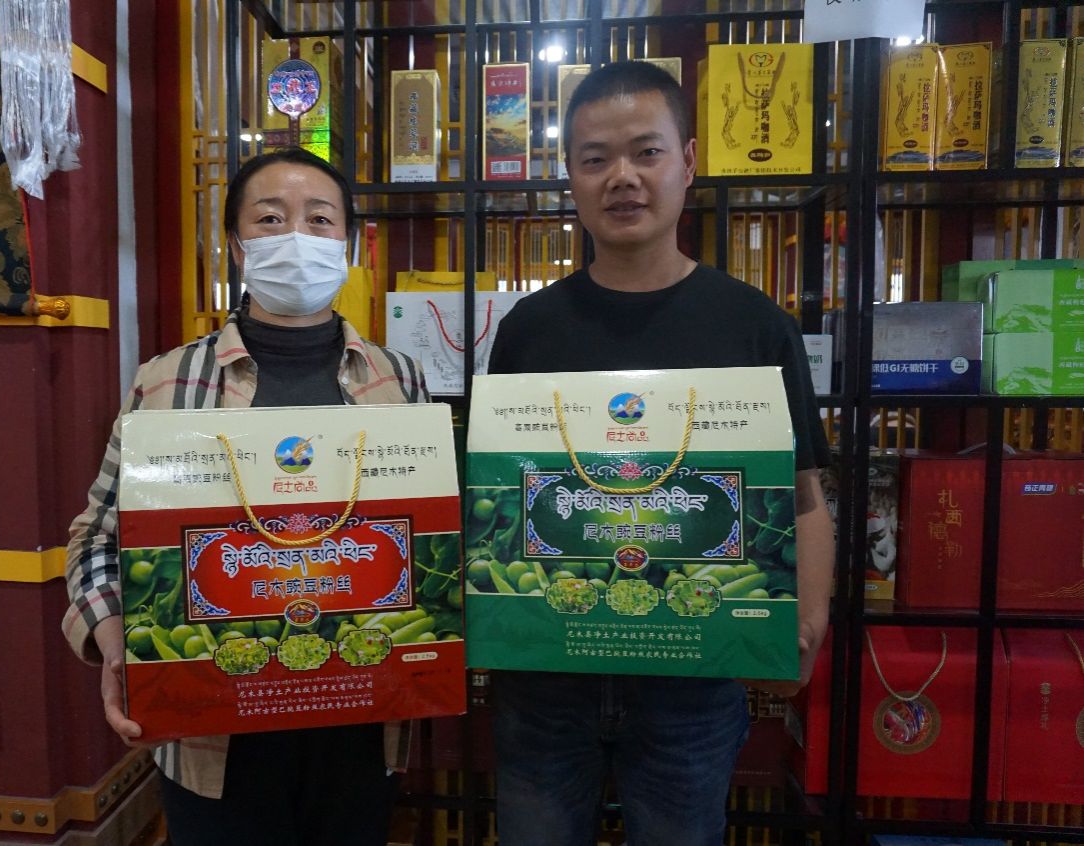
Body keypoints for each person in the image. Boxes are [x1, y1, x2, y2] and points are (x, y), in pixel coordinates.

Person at [486, 61, 836, 846]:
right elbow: (500, 502)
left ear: (688, 161)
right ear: (570, 177)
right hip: (546, 678)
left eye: (646, 152)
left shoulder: (755, 325)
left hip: (694, 679)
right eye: (595, 158)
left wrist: (807, 622)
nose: (623, 178)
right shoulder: (528, 331)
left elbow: (804, 493)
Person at [61, 148, 429, 846]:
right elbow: (98, 537)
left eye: (319, 220)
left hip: (360, 715)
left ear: (347, 245)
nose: (297, 237)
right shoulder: (166, 381)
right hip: (211, 731)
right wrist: (114, 642)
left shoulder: (398, 378)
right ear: (237, 245)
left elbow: (425, 535)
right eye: (270, 219)